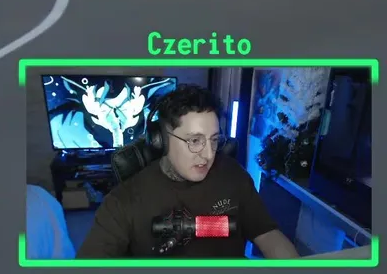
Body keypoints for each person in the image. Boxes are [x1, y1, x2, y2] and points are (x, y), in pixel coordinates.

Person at [78, 85, 299, 259]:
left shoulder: (233, 175)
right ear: (161, 140)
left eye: (214, 140)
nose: (209, 154)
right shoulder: (123, 202)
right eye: (195, 141)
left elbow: (267, 234)